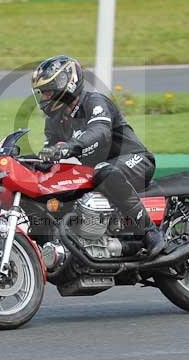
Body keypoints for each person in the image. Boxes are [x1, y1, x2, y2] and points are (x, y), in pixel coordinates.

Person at [31, 55, 166, 259]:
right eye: (43, 93)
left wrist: (71, 146)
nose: (46, 97)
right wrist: (34, 163)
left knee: (104, 170)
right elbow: (49, 150)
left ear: (68, 83)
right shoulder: (54, 121)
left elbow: (100, 131)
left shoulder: (94, 102)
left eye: (49, 91)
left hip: (135, 160)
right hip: (97, 173)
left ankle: (150, 233)